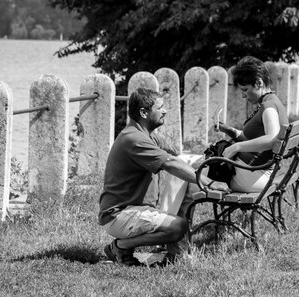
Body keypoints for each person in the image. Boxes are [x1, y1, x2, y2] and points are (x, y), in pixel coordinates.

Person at [99, 87, 229, 266]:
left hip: (134, 210)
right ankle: (120, 246)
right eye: (160, 108)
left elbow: (175, 154)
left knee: (188, 186)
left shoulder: (146, 136)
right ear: (144, 112)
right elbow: (171, 164)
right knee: (177, 226)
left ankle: (177, 253)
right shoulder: (134, 139)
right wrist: (209, 182)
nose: (165, 111)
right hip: (119, 215)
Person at [215, 55, 289, 192]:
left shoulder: (268, 107)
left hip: (253, 176)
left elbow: (272, 138)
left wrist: (236, 147)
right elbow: (258, 140)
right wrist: (230, 131)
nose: (243, 96)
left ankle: (169, 213)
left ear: (259, 83)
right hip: (258, 171)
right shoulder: (272, 101)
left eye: (245, 90)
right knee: (196, 169)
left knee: (194, 174)